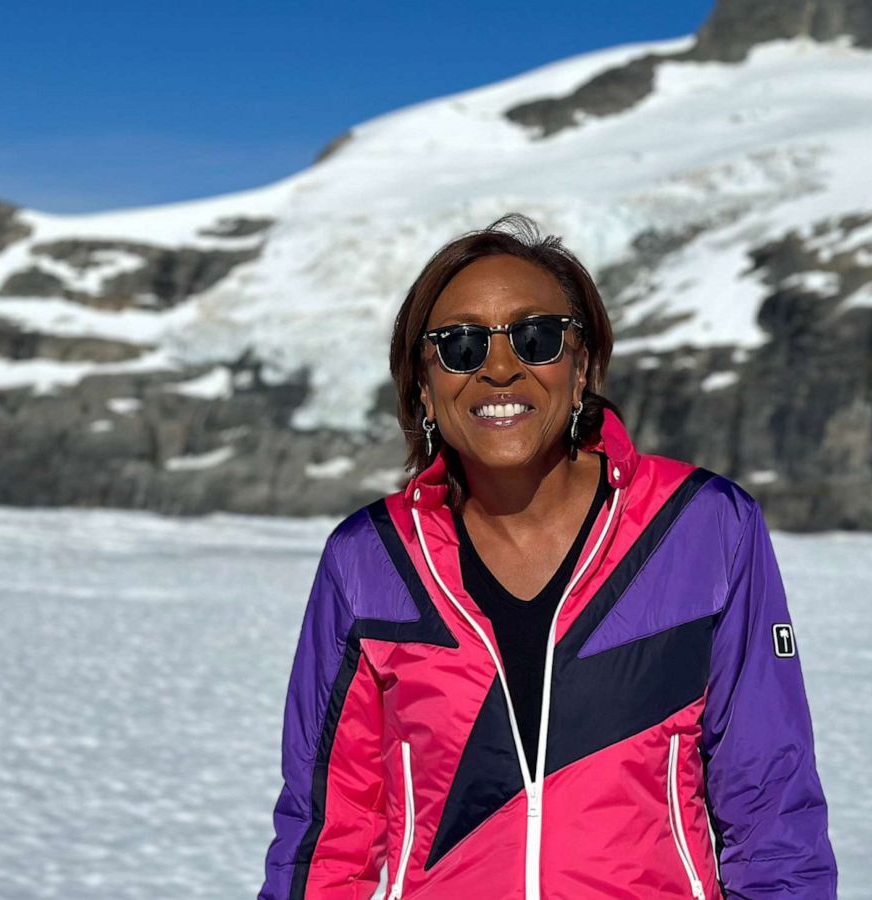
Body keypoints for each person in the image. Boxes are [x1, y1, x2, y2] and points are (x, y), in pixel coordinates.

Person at [258, 213, 837, 899]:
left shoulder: (702, 528)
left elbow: (771, 808)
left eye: (536, 338)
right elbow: (327, 831)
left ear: (582, 364)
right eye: (460, 346)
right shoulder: (370, 561)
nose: (499, 368)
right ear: (422, 384)